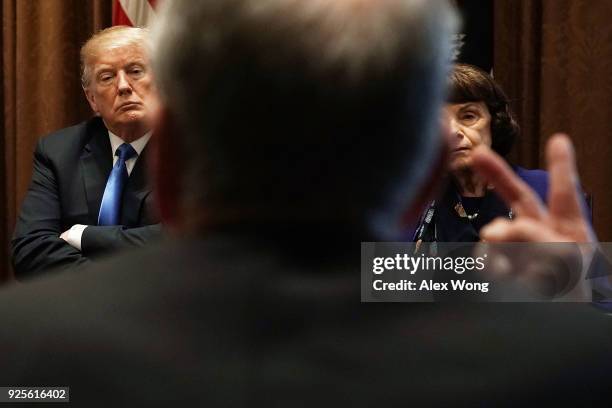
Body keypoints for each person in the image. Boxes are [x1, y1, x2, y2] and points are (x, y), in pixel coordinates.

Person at [0, 0, 610, 406]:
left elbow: (423, 273)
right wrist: (573, 282)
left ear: (170, 158)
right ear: (429, 170)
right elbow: (445, 279)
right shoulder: (569, 363)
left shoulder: (28, 347)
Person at [11, 26, 161, 279]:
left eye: (135, 71)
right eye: (107, 77)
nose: (123, 86)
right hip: (82, 309)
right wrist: (102, 286)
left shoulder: (196, 148)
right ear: (92, 99)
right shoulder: (58, 151)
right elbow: (30, 249)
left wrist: (85, 236)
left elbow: (196, 241)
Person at [413, 63, 549, 243]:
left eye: (468, 116)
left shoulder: (544, 188)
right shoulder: (415, 203)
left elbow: (585, 268)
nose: (453, 131)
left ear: (495, 123)